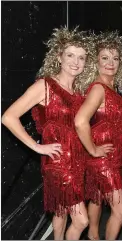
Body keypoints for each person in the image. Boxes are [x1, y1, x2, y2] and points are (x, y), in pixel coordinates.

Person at [2, 27, 94, 240]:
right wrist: (37, 146)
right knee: (82, 220)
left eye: (81, 57)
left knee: (61, 211)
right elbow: (8, 117)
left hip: (78, 160)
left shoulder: (80, 91)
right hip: (58, 162)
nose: (76, 62)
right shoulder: (45, 85)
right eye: (70, 55)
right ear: (59, 57)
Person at [74, 31, 122, 240]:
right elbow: (80, 121)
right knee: (120, 210)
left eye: (115, 58)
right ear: (95, 61)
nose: (111, 63)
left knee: (97, 199)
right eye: (105, 58)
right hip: (102, 159)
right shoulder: (99, 88)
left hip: (108, 156)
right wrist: (93, 150)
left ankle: (93, 236)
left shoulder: (110, 87)